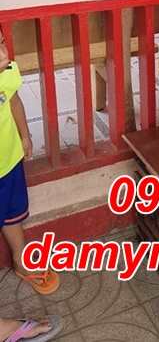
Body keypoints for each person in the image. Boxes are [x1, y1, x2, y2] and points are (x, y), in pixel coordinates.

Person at [0, 31, 59, 295]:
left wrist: (24, 135)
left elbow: (14, 102)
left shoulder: (6, 72)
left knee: (12, 213)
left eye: (2, 43)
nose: (3, 55)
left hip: (9, 160)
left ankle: (20, 259)